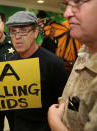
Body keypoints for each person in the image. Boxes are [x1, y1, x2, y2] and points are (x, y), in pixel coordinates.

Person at [5, 11, 68, 131]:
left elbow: (64, 103)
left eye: (23, 30)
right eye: (13, 31)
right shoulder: (9, 63)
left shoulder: (54, 63)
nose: (17, 36)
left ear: (35, 33)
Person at [48, 0, 97, 131]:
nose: (66, 13)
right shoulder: (84, 52)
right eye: (66, 5)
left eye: (78, 2)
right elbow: (78, 99)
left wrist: (55, 122)